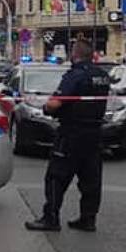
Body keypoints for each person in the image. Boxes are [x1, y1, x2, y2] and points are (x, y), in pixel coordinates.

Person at [26, 39, 111, 233]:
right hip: (95, 134)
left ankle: (51, 218)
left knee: (56, 177)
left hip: (71, 134)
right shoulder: (102, 76)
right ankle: (88, 219)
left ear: (75, 54)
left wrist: (47, 108)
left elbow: (56, 103)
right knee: (91, 179)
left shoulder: (75, 76)